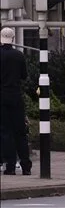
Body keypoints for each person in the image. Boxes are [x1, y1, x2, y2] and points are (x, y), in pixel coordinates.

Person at [0, 27, 32, 175]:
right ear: (12, 39)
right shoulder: (18, 55)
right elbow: (24, 76)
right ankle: (26, 166)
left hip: (1, 97)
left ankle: (10, 166)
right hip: (15, 95)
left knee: (6, 132)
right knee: (20, 131)